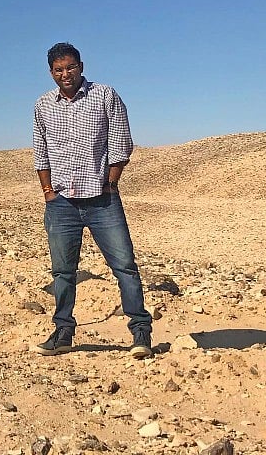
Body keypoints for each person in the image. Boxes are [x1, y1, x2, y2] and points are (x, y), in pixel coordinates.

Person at [32, 42, 153, 358]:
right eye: (59, 70)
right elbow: (41, 151)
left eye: (70, 67)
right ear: (51, 73)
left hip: (102, 201)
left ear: (81, 67)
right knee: (62, 271)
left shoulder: (104, 95)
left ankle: (140, 333)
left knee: (124, 266)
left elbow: (121, 143)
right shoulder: (43, 105)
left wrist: (110, 183)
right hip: (61, 203)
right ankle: (62, 333)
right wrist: (48, 192)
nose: (65, 74)